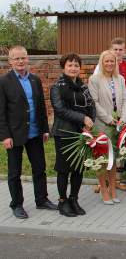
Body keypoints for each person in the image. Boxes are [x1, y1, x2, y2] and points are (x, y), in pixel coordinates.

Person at [0, 46, 57, 219]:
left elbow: (41, 106)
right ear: (10, 61)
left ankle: (42, 199)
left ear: (27, 59)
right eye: (16, 58)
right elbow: (1, 111)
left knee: (39, 168)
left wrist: (45, 129)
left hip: (35, 133)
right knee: (14, 172)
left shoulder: (34, 79)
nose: (20, 61)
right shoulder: (4, 82)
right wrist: (4, 136)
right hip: (14, 134)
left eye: (23, 58)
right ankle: (16, 204)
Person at [50, 53, 96, 217]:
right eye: (70, 65)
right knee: (64, 169)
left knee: (78, 168)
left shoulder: (83, 87)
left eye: (76, 65)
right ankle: (63, 201)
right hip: (64, 133)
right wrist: (82, 118)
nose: (73, 68)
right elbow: (60, 110)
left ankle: (74, 199)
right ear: (64, 67)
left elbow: (91, 106)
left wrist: (90, 124)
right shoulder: (57, 86)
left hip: (81, 133)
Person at [93, 37, 126, 192]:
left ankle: (116, 180)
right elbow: (95, 97)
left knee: (119, 148)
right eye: (115, 49)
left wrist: (125, 115)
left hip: (122, 115)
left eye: (120, 49)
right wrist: (107, 116)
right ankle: (102, 182)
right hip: (104, 116)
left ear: (125, 50)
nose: (117, 53)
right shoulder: (98, 70)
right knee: (103, 149)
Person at [88, 50, 126, 204]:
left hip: (117, 125)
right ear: (101, 62)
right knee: (102, 159)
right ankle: (104, 190)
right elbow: (95, 103)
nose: (110, 64)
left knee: (113, 159)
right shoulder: (94, 80)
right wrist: (109, 119)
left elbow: (124, 100)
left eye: (112, 61)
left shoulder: (120, 79)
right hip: (102, 124)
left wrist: (123, 118)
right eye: (107, 61)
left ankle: (113, 189)